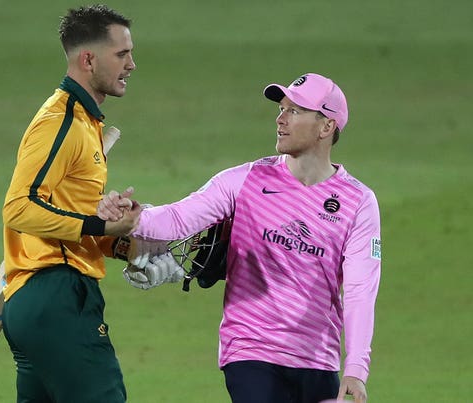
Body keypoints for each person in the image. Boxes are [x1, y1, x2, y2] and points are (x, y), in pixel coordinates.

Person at [100, 73, 382, 403]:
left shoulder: (358, 202)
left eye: (295, 111)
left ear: (326, 126)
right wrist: (132, 217)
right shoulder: (246, 180)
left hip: (318, 358)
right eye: (281, 108)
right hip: (250, 351)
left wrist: (356, 369)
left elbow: (362, 289)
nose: (280, 119)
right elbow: (178, 218)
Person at [0, 5, 142, 402]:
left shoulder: (85, 123)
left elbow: (68, 216)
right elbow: (19, 208)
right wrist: (100, 227)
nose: (132, 64)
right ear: (88, 59)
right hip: (57, 296)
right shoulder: (60, 121)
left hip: (39, 301)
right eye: (122, 54)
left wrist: (126, 244)